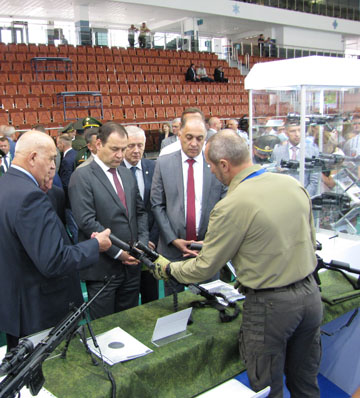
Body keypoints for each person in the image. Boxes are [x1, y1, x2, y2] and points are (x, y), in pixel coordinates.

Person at [150, 130, 322, 398]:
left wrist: (168, 269)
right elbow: (305, 239)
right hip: (311, 297)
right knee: (306, 383)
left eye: (210, 165)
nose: (210, 171)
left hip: (271, 308)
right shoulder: (291, 184)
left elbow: (204, 268)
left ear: (224, 165)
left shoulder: (231, 204)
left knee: (267, 386)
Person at [0, 131, 111, 348]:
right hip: (39, 310)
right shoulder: (29, 196)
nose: (53, 165)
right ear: (32, 158)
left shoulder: (2, 187)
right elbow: (54, 260)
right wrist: (95, 246)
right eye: (51, 158)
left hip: (16, 306)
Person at [69, 122, 149, 319]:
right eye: (115, 149)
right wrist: (118, 253)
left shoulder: (124, 172)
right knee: (104, 327)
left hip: (132, 265)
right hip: (102, 270)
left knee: (129, 321)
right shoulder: (82, 176)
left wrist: (143, 245)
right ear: (98, 144)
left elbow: (140, 212)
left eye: (123, 149)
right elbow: (87, 222)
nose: (120, 155)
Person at [151, 116, 225, 296]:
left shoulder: (217, 164)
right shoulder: (164, 163)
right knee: (174, 306)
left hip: (207, 248)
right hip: (172, 249)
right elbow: (157, 204)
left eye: (200, 138)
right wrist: (173, 239)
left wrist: (209, 241)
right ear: (179, 135)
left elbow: (225, 206)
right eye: (189, 137)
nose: (194, 143)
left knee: (209, 304)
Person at [123, 125, 159, 303]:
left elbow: (159, 206)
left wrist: (150, 239)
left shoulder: (154, 167)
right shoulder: (114, 171)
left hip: (151, 246)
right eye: (131, 146)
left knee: (151, 295)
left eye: (140, 145)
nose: (136, 151)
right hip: (125, 248)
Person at [271, 120, 320, 196]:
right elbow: (274, 177)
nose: (297, 134)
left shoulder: (313, 151)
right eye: (293, 131)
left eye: (299, 130)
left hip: (305, 197)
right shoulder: (277, 151)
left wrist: (304, 197)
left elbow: (314, 181)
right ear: (286, 133)